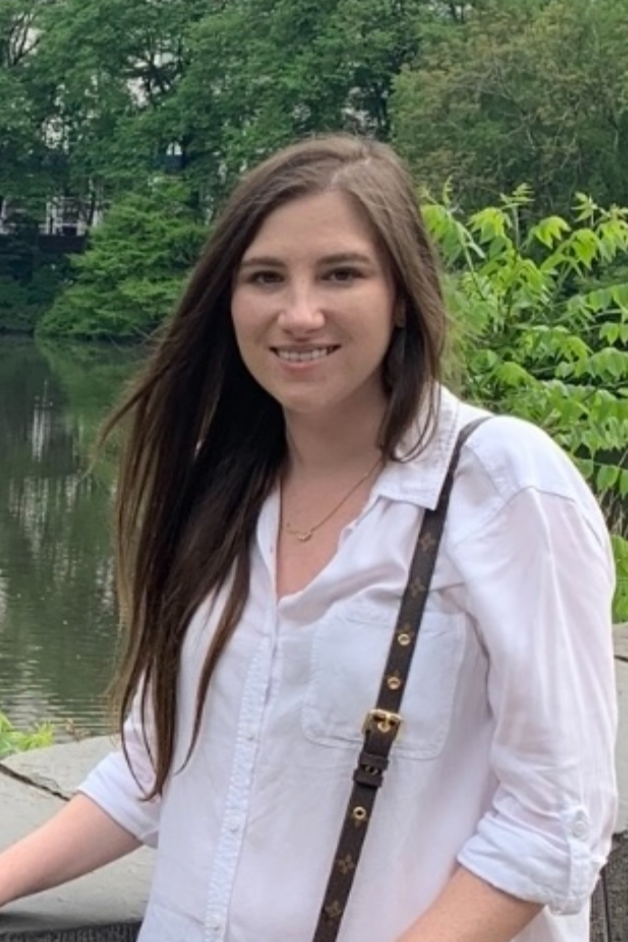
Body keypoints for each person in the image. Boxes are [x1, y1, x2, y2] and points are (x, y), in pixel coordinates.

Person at [0, 134, 617, 942]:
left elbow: (554, 823)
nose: (298, 314)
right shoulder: (219, 488)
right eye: (265, 277)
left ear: (403, 294)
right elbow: (157, 765)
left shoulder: (502, 487)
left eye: (341, 274)